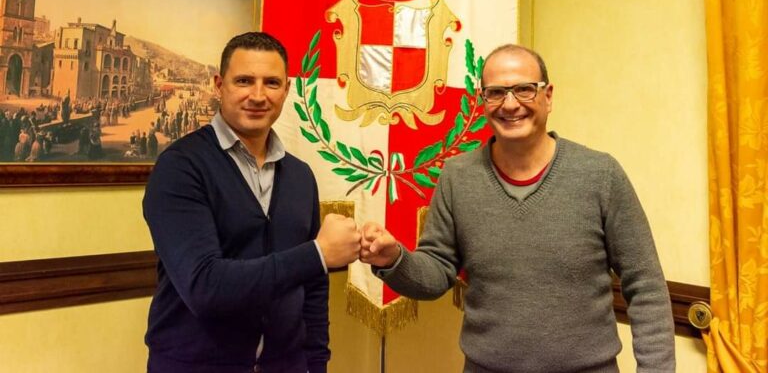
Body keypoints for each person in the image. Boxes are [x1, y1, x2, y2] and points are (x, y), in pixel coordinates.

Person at [360, 44, 675, 373]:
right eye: (496, 93)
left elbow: (646, 286)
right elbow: (437, 273)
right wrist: (393, 259)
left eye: (524, 89)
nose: (510, 104)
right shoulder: (457, 177)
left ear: (548, 96)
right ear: (483, 101)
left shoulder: (600, 175)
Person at [143, 31, 361, 373]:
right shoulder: (180, 168)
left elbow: (313, 289)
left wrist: (316, 364)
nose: (258, 96)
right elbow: (204, 287)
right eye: (244, 81)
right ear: (219, 85)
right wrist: (317, 254)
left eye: (271, 83)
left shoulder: (300, 176)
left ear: (287, 89)